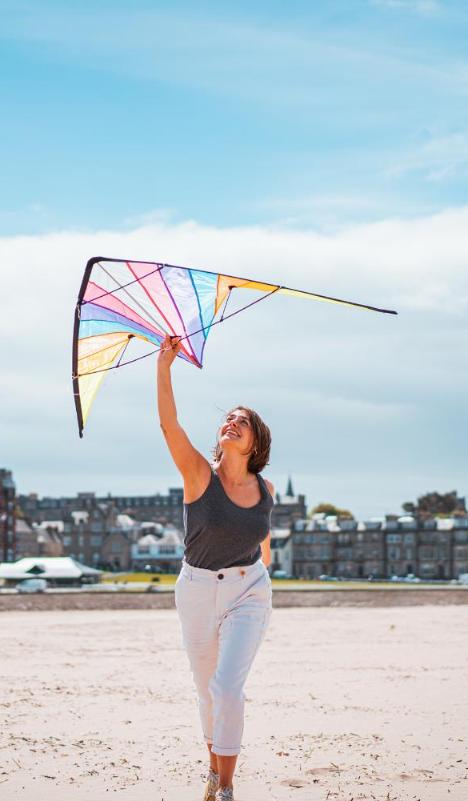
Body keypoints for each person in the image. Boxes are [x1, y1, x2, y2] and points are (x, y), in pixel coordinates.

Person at [157, 335, 274, 801]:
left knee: (228, 688)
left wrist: (262, 578)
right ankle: (213, 772)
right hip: (198, 590)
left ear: (256, 441)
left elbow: (262, 537)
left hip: (248, 591)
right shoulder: (198, 475)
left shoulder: (266, 490)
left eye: (242, 422)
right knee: (207, 691)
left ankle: (225, 788)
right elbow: (170, 427)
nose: (232, 423)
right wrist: (164, 367)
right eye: (229, 418)